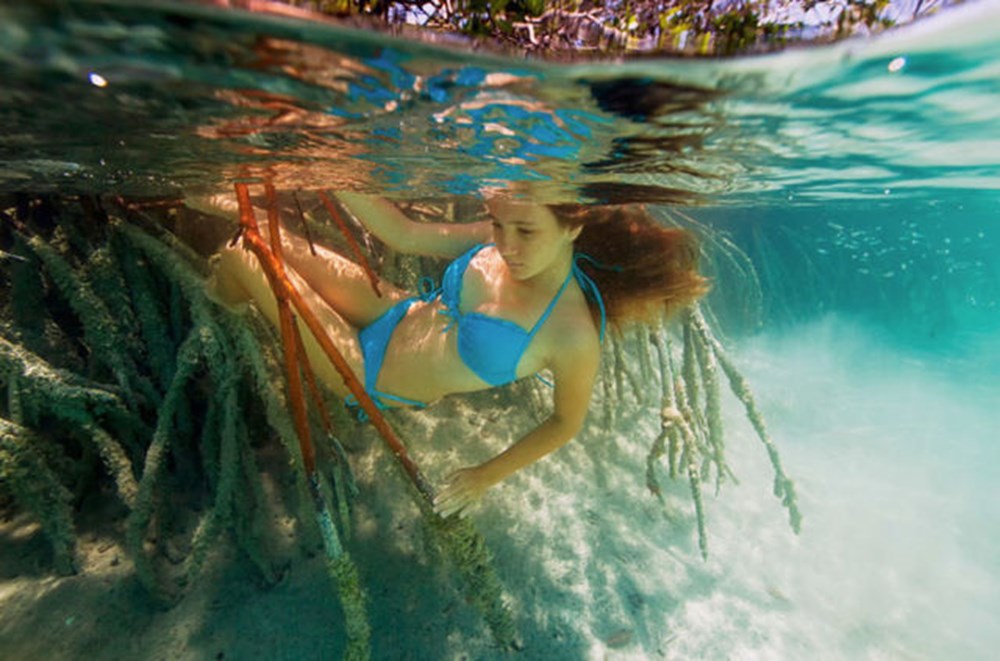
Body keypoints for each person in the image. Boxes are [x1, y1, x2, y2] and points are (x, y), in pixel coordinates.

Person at [209, 192, 709, 517]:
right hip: (389, 308)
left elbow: (565, 423)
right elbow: (403, 232)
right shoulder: (510, 222)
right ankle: (217, 250)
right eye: (497, 225)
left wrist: (484, 477)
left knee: (241, 255)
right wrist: (327, 167)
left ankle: (221, 306)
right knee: (257, 222)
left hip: (368, 371)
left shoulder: (572, 332)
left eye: (527, 232)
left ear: (572, 228)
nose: (507, 245)